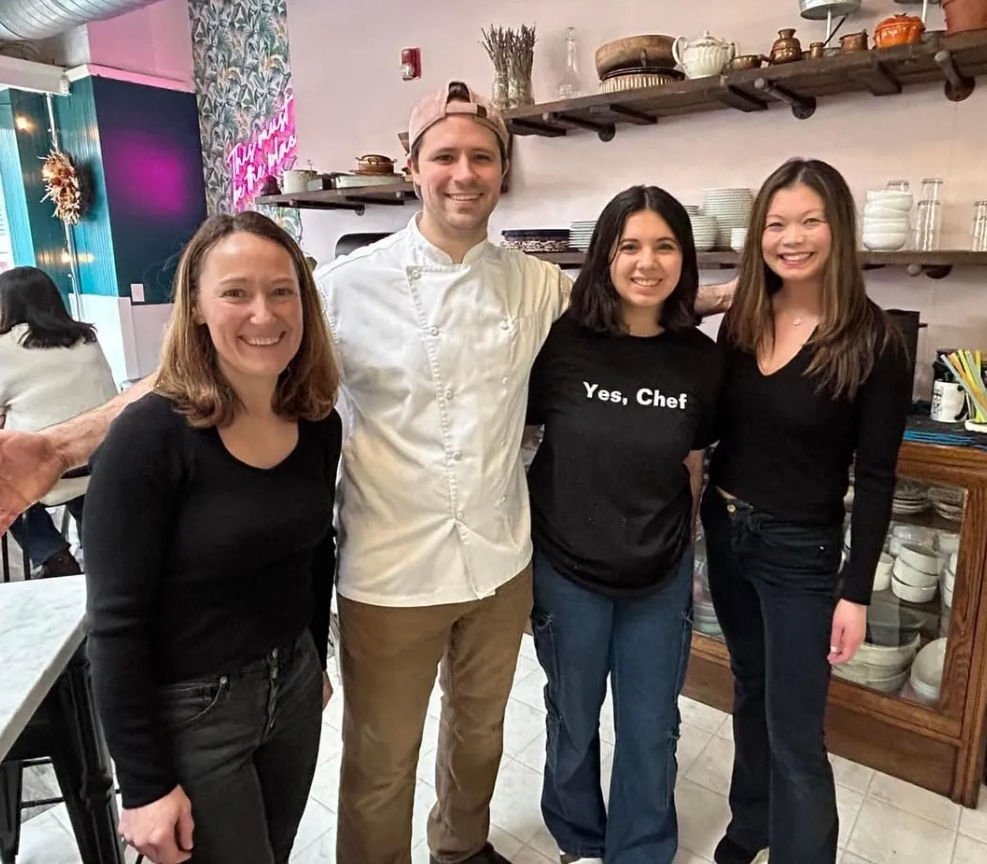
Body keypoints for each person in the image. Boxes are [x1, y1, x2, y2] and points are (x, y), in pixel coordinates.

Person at [0, 81, 734, 864]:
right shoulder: (342, 289)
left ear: (501, 171)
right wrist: (63, 446)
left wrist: (763, 295)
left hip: (498, 559)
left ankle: (460, 847)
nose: (463, 173)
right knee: (382, 763)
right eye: (444, 156)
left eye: (481, 157)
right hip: (389, 569)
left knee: (479, 736)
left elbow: (640, 299)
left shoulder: (536, 285)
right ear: (414, 168)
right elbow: (195, 368)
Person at [82, 211, 340, 864]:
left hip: (295, 690)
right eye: (235, 292)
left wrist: (314, 656)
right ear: (195, 307)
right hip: (194, 710)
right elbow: (114, 623)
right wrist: (142, 786)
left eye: (281, 290)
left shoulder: (315, 421)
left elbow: (314, 556)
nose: (264, 313)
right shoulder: (150, 438)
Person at [701, 159, 911, 864]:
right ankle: (749, 824)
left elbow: (876, 478)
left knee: (795, 730)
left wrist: (854, 591)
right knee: (749, 690)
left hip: (800, 551)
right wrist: (721, 294)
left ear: (838, 229)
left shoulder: (873, 340)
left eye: (809, 221)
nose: (791, 238)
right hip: (725, 532)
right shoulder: (742, 320)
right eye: (775, 223)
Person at [525, 185, 722, 864]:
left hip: (658, 575)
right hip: (567, 569)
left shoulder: (700, 358)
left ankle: (639, 849)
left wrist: (682, 551)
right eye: (629, 245)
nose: (646, 261)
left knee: (650, 726)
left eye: (663, 245)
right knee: (572, 721)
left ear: (683, 258)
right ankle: (579, 841)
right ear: (603, 256)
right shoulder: (562, 342)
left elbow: (692, 463)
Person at [0, 266, 117, 577]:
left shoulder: (3, 348)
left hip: (47, 471)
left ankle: (53, 554)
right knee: (78, 485)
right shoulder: (86, 338)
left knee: (10, 478)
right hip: (99, 463)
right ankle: (98, 555)